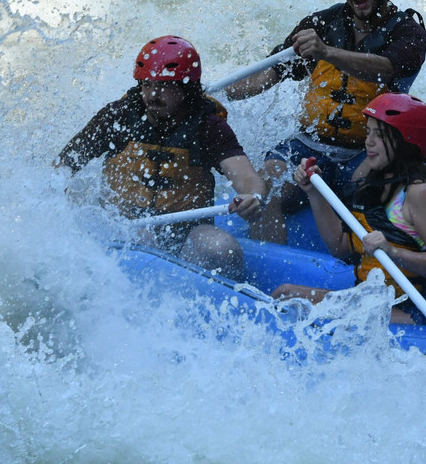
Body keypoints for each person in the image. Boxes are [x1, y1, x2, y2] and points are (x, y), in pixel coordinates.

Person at [226, 0, 426, 244]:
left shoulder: (409, 32)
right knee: (263, 188)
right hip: (309, 144)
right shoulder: (323, 23)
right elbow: (271, 72)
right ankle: (271, 268)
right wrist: (220, 93)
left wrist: (326, 52)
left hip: (370, 151)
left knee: (369, 199)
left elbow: (386, 67)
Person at [56, 35, 268, 281]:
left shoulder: (207, 126)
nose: (153, 95)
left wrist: (253, 197)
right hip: (123, 225)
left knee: (223, 249)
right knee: (144, 238)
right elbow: (62, 167)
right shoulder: (117, 117)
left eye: (165, 86)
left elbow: (247, 177)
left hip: (187, 229)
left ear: (186, 89)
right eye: (147, 85)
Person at [273, 93, 426, 326]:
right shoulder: (373, 183)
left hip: (422, 309)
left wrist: (392, 252)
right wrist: (314, 192)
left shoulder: (420, 193)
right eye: (368, 132)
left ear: (406, 142)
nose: (368, 141)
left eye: (379, 135)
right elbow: (340, 246)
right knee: (284, 295)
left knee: (297, 309)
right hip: (376, 298)